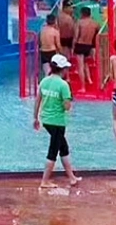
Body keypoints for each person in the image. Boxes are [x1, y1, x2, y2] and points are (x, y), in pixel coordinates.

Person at [33, 54, 81, 189]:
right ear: (62, 69)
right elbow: (66, 107)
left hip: (46, 120)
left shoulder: (44, 81)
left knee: (63, 148)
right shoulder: (63, 85)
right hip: (58, 121)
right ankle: (45, 181)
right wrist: (69, 100)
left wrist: (35, 118)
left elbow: (38, 101)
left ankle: (71, 177)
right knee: (53, 150)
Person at [73, 7, 99, 93]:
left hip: (80, 45)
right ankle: (89, 80)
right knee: (86, 63)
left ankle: (83, 87)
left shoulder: (79, 22)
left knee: (80, 66)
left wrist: (73, 47)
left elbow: (76, 36)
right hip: (89, 45)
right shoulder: (95, 23)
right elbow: (97, 35)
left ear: (82, 14)